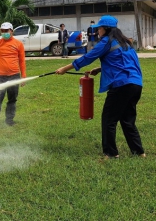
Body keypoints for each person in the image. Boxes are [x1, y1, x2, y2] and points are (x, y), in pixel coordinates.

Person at [55, 15, 146, 160]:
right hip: (135, 85)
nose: (98, 31)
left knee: (109, 119)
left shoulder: (106, 42)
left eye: (100, 28)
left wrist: (65, 68)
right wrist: (100, 69)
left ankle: (110, 154)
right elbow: (124, 63)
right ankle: (139, 152)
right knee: (127, 120)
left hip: (121, 85)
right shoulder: (125, 43)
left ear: (106, 29)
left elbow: (87, 57)